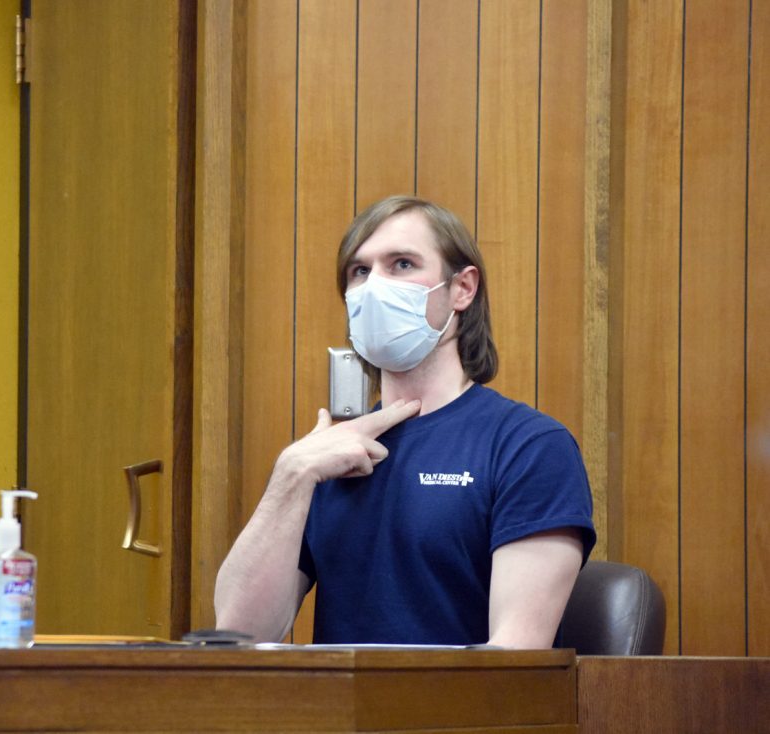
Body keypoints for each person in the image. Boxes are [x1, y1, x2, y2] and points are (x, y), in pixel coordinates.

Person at [214, 195, 596, 648]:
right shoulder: (326, 458)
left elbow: (515, 658)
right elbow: (238, 638)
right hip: (333, 695)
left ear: (462, 288)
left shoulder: (529, 446)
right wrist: (291, 475)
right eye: (360, 271)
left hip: (460, 697)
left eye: (401, 264)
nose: (375, 285)